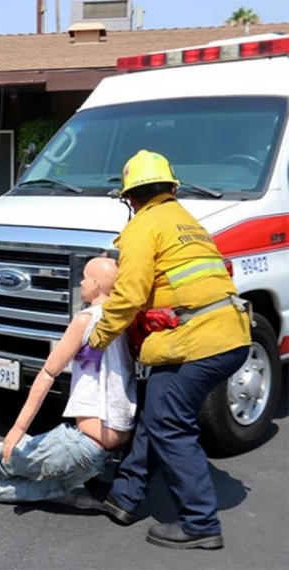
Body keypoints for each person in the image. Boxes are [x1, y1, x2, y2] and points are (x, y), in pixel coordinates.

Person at [82, 150, 251, 550]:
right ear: (171, 188)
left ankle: (200, 523)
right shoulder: (188, 222)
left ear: (130, 197)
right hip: (228, 334)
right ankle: (124, 497)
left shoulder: (143, 226)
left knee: (170, 425)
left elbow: (129, 295)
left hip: (199, 341)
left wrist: (97, 340)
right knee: (157, 414)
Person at [0, 257, 137, 504]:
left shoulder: (86, 319)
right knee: (26, 489)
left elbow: (48, 373)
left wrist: (17, 429)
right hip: (101, 454)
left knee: (5, 459)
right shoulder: (124, 320)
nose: (81, 283)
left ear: (96, 284)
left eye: (84, 278)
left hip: (80, 446)